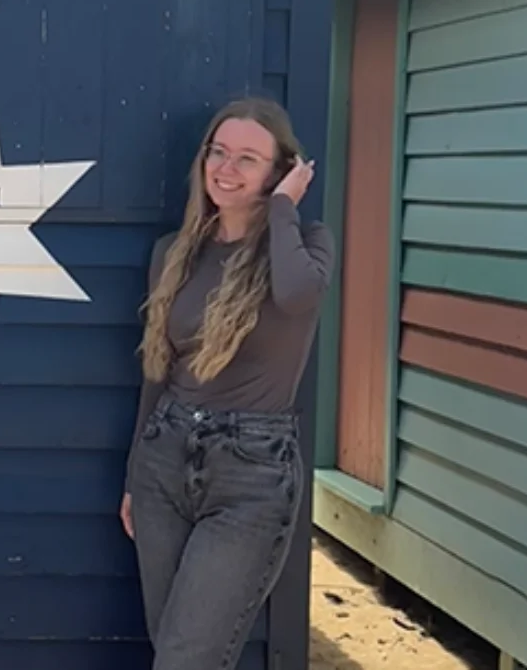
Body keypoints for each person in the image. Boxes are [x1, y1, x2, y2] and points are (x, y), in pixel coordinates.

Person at [119, 96, 336, 669]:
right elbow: (157, 369)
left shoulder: (307, 246)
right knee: (171, 645)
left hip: (251, 473)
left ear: (280, 171)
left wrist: (284, 210)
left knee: (187, 658)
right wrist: (132, 477)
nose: (226, 168)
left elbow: (295, 296)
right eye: (218, 152)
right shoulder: (174, 252)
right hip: (163, 462)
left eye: (248, 158)